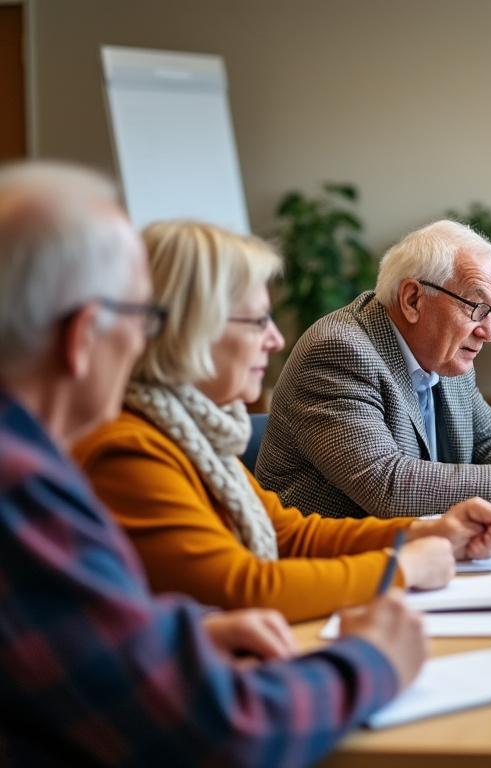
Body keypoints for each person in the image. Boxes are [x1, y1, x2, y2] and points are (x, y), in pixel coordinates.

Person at [0, 161, 427, 764]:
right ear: (85, 335)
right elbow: (224, 729)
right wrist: (372, 661)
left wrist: (178, 639)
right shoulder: (27, 488)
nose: (145, 340)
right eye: (141, 318)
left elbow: (72, 648)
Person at [73, 220, 491, 623]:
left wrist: (428, 529)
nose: (276, 338)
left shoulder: (190, 434)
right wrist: (404, 566)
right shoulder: (130, 448)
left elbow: (290, 535)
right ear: (191, 329)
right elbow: (248, 587)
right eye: (257, 320)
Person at [256, 220, 491, 518]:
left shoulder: (443, 353)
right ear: (413, 300)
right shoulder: (339, 351)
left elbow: (489, 442)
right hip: (324, 568)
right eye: (476, 308)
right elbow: (388, 485)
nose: (488, 332)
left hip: (415, 550)